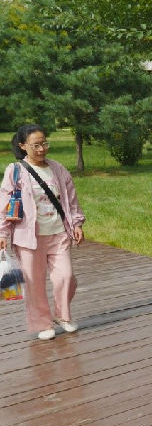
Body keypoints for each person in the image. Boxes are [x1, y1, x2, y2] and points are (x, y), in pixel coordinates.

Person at [0, 124, 85, 340]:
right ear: (23, 146)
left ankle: (62, 315)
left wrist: (76, 224)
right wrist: (2, 234)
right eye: (36, 145)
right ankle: (43, 323)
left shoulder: (58, 169)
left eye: (44, 143)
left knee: (66, 277)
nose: (41, 149)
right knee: (34, 282)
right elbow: (4, 205)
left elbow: (71, 200)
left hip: (58, 233)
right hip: (29, 238)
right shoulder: (15, 171)